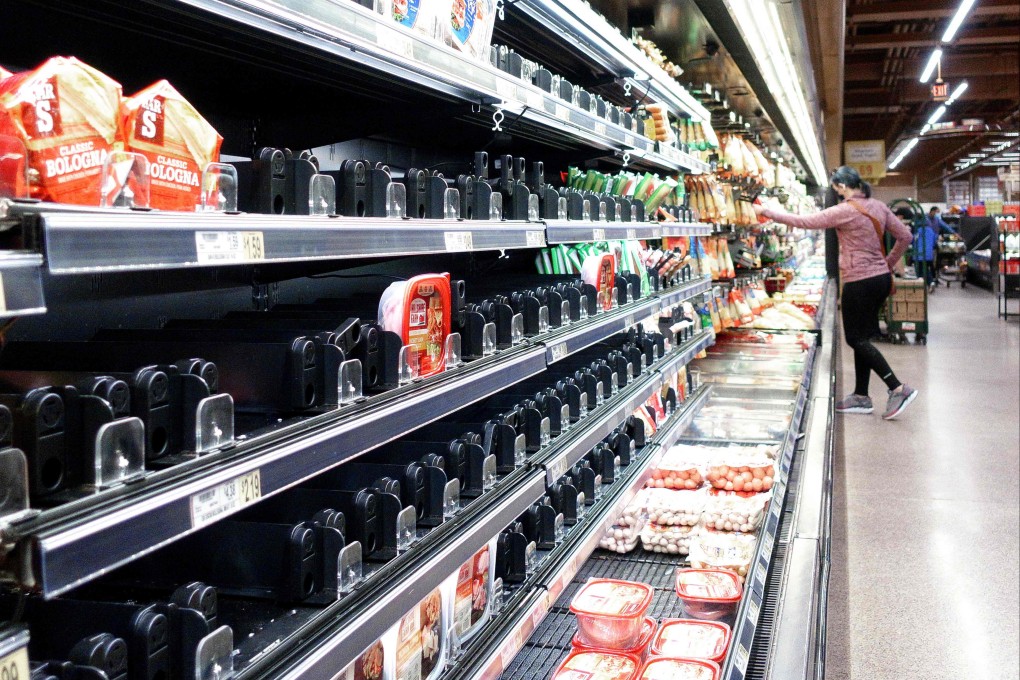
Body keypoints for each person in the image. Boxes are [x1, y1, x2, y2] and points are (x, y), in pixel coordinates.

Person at [752, 166, 918, 420]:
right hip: (880, 281)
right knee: (863, 337)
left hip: (859, 282)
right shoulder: (879, 206)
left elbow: (805, 222)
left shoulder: (845, 211)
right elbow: (905, 236)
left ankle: (897, 387)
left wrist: (767, 212)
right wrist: (886, 263)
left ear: (841, 187)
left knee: (855, 339)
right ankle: (861, 396)